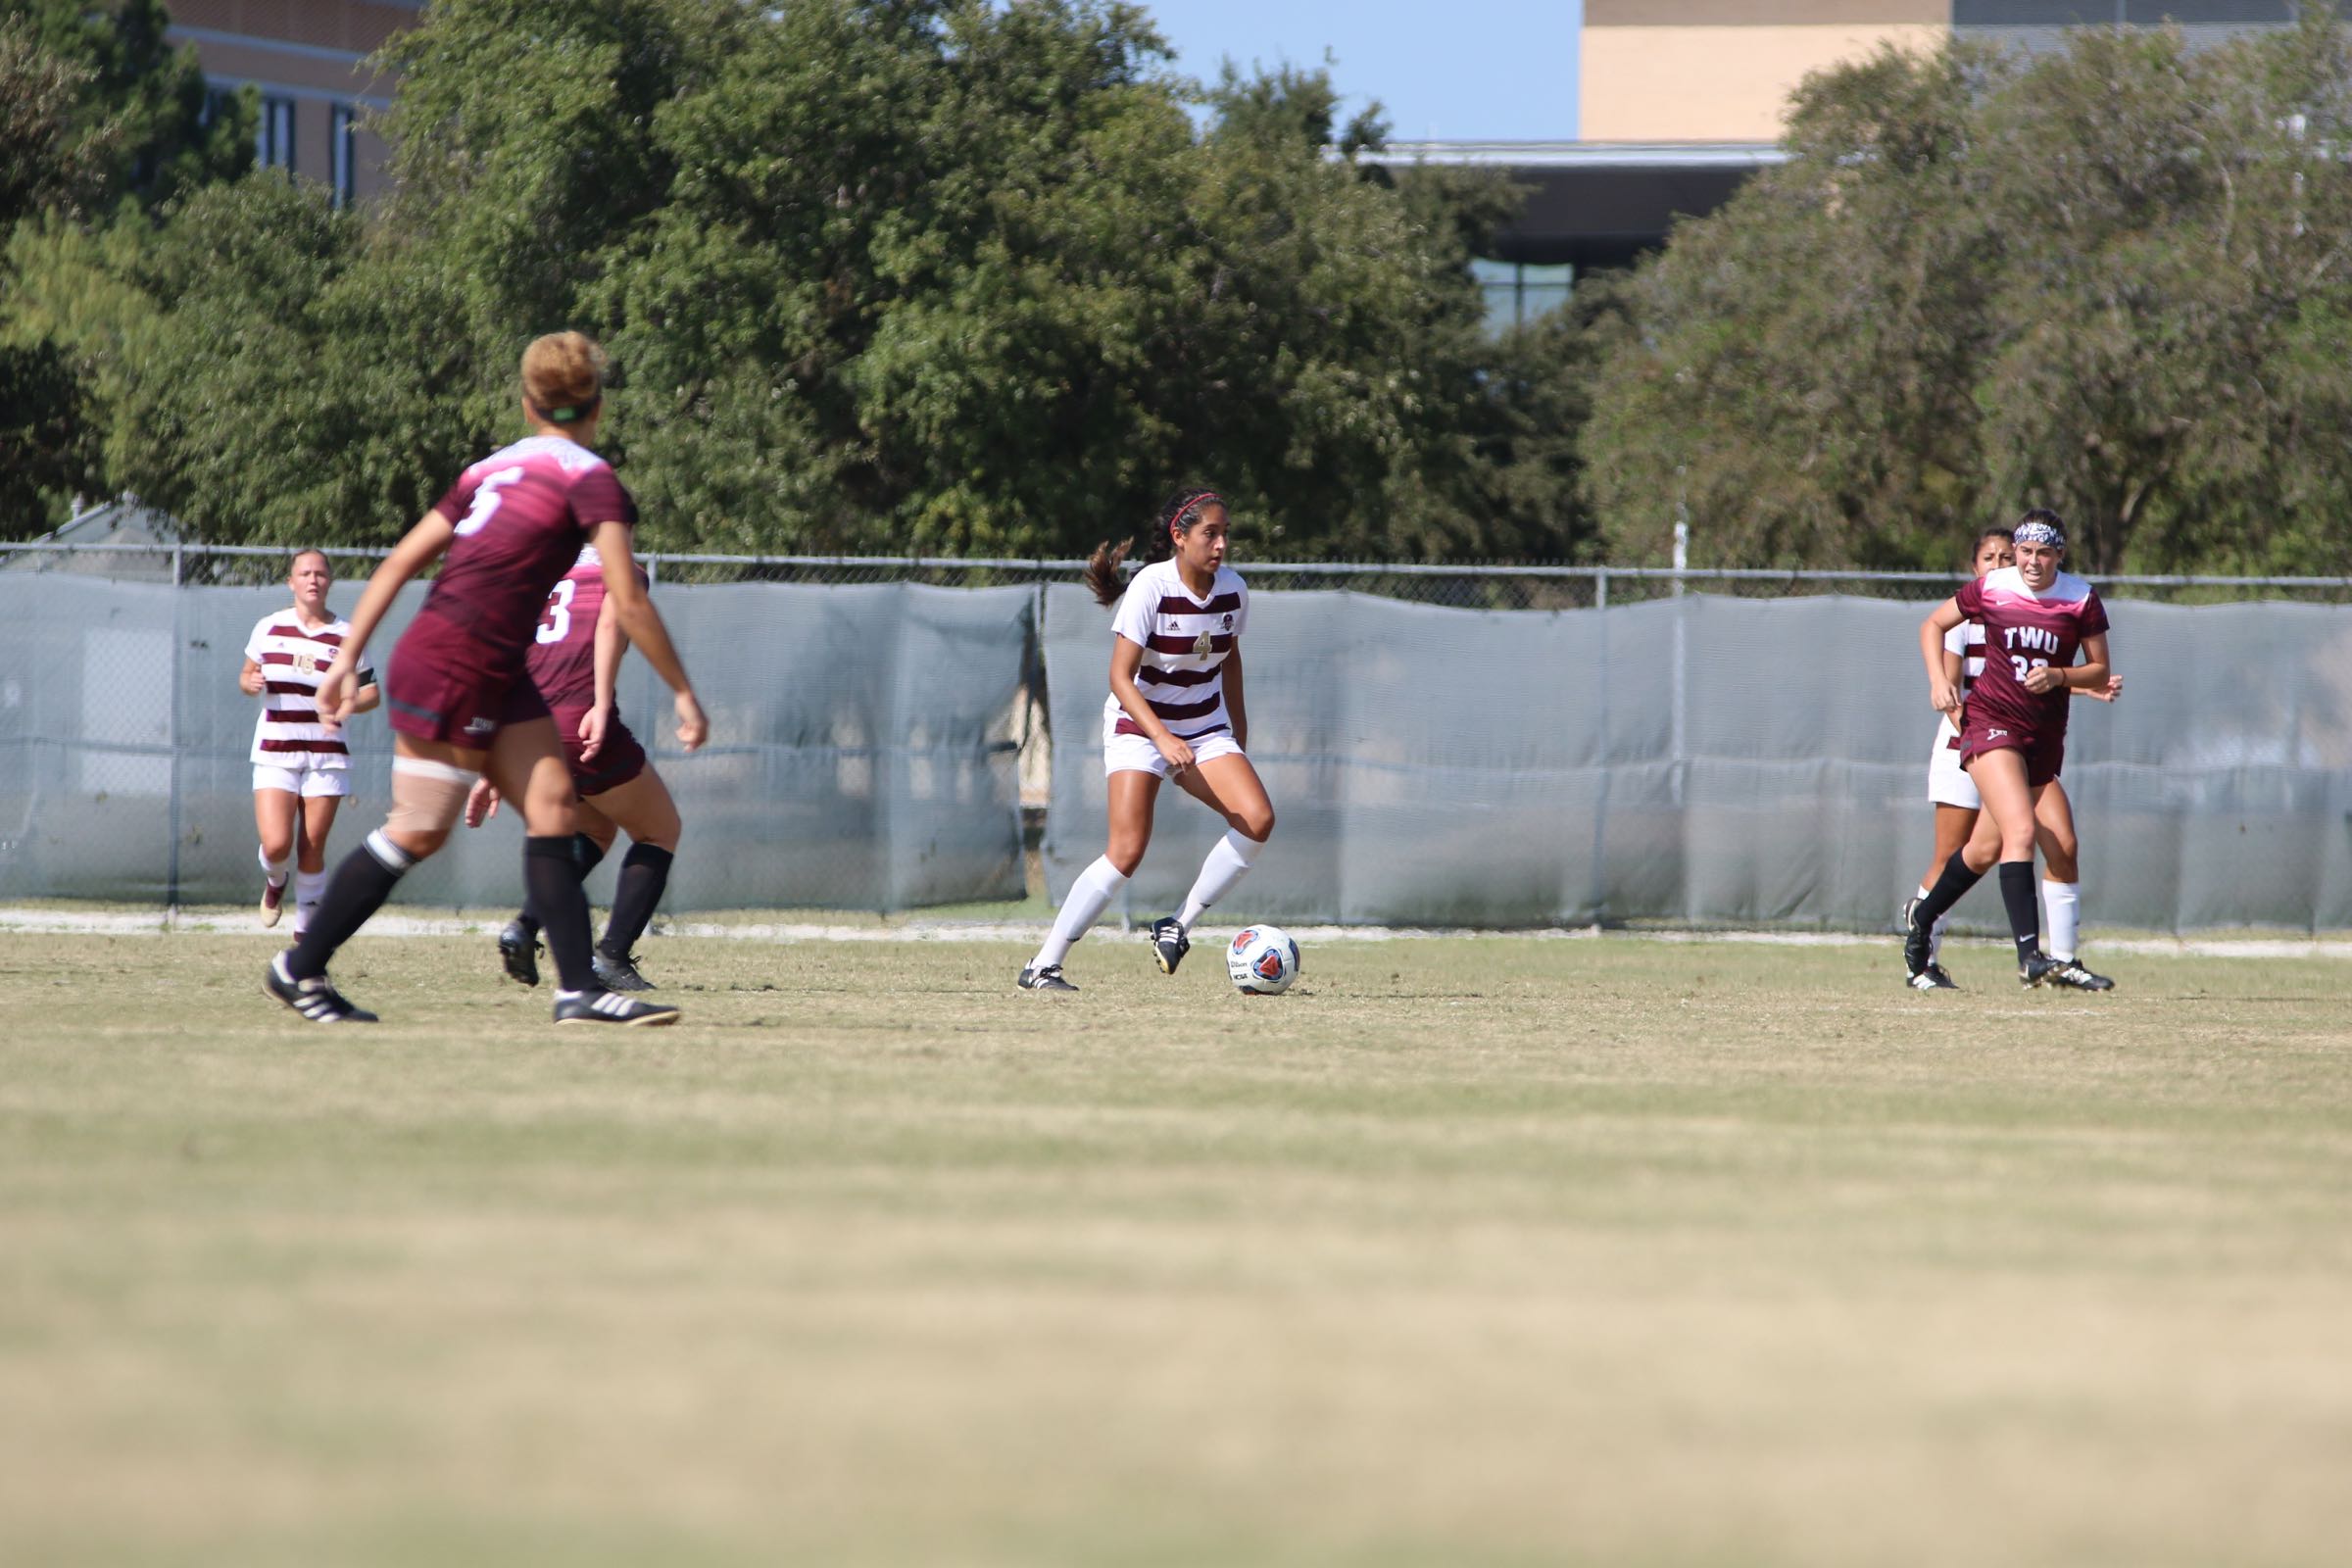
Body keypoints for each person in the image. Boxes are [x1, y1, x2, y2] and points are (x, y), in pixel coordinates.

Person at [262, 330, 708, 1025]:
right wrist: (682, 690)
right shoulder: (591, 479)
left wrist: (349, 657)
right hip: (460, 661)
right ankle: (298, 965)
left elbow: (399, 562)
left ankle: (577, 991)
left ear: (528, 403)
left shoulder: (489, 469)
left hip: (481, 661)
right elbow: (627, 600)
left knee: (556, 808)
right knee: (418, 829)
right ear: (597, 407)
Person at [1018, 487, 1275, 992]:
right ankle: (1043, 965)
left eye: (1226, 533)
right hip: (1139, 726)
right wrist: (1161, 739)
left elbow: (1231, 661)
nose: (1221, 544)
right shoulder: (1150, 589)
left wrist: (1236, 735)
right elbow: (1119, 676)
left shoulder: (1233, 590)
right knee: (1127, 851)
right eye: (1210, 533)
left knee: (1258, 819)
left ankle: (1178, 924)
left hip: (1203, 727)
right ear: (1180, 537)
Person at [1903, 510, 2114, 990]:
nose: (2031, 562)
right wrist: (1939, 681)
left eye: (2043, 552)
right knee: (2020, 830)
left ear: (2060, 553)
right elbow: (1933, 626)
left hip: (2041, 734)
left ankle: (1926, 920)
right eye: (2024, 551)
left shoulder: (2080, 598)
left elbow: (2099, 670)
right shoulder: (1994, 586)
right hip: (1991, 725)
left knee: (2026, 845)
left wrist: (2061, 676)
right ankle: (2030, 957)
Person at [464, 541, 683, 993]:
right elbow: (610, 622)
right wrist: (601, 703)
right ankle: (613, 956)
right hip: (577, 719)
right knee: (659, 829)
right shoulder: (622, 569)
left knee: (595, 830)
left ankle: (525, 927)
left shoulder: (545, 578)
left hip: (528, 725)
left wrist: (494, 761)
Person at [239, 549, 378, 935]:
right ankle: (275, 880)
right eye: (305, 573)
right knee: (277, 844)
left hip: (326, 755)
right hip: (275, 750)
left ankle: (306, 933)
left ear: (330, 581)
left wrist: (343, 703)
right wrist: (250, 683)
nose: (313, 579)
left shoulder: (347, 636)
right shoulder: (269, 627)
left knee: (312, 846)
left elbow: (372, 693)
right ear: (291, 582)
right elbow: (247, 675)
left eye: (320, 573)